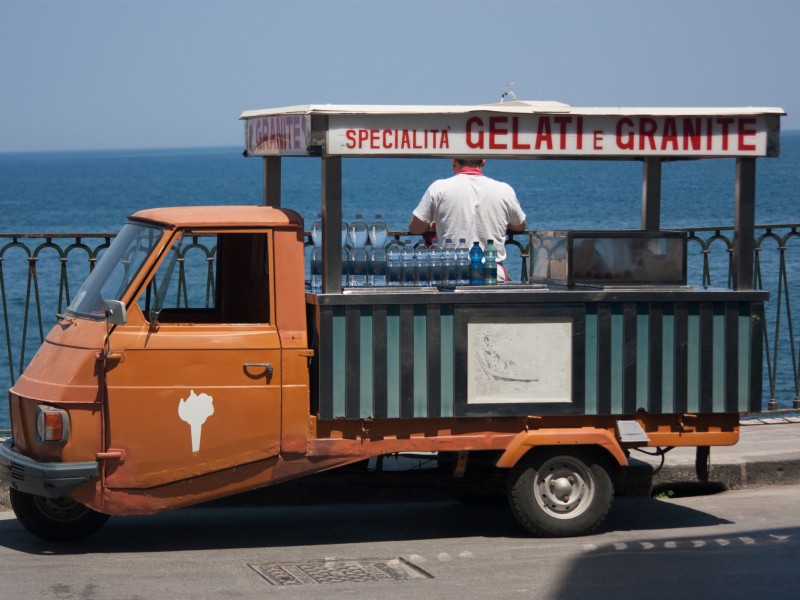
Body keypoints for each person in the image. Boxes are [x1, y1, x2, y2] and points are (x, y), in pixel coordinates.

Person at [409, 158, 526, 281]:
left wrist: (433, 226)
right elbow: (520, 225)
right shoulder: (504, 190)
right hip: (492, 273)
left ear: (453, 162)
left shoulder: (438, 188)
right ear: (483, 162)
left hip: (451, 274)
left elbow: (415, 228)